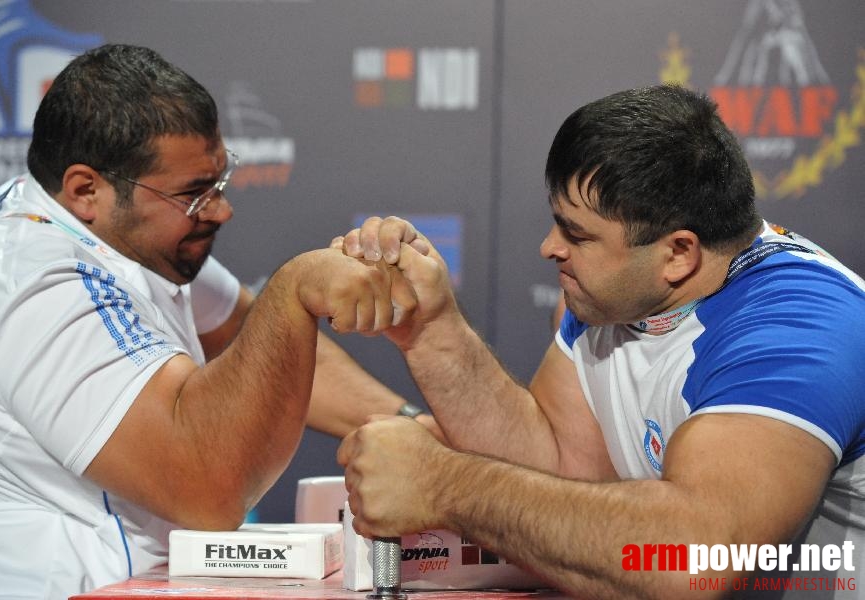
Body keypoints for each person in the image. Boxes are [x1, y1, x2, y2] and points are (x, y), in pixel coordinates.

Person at [336, 85, 865, 599]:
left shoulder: (798, 331)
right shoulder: (617, 295)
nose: (549, 248)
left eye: (578, 235)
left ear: (678, 253)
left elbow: (696, 562)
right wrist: (433, 331)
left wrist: (443, 484)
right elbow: (560, 468)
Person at [0, 44, 430, 599]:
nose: (220, 210)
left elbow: (247, 339)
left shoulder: (114, 234)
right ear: (87, 190)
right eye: (193, 195)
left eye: (218, 182)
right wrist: (294, 289)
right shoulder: (33, 284)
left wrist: (410, 427)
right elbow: (208, 488)